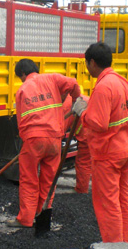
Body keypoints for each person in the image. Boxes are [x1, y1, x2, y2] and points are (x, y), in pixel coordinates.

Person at [72, 42, 128, 243]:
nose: (86, 67)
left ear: (92, 62)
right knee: (123, 200)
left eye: (86, 63)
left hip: (108, 154)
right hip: (126, 150)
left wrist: (82, 111)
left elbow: (99, 123)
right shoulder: (123, 82)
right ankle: (126, 243)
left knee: (107, 204)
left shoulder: (103, 86)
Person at [7, 58, 80, 228]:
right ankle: (42, 214)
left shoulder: (22, 90)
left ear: (23, 74)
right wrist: (76, 101)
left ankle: (25, 219)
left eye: (20, 77)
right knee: (48, 179)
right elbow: (73, 83)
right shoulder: (52, 79)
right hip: (54, 139)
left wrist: (27, 142)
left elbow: (21, 122)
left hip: (33, 140)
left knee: (29, 179)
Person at [63, 93, 92, 194]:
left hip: (87, 134)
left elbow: (61, 128)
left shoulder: (67, 105)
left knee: (83, 162)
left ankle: (82, 190)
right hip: (94, 132)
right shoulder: (80, 98)